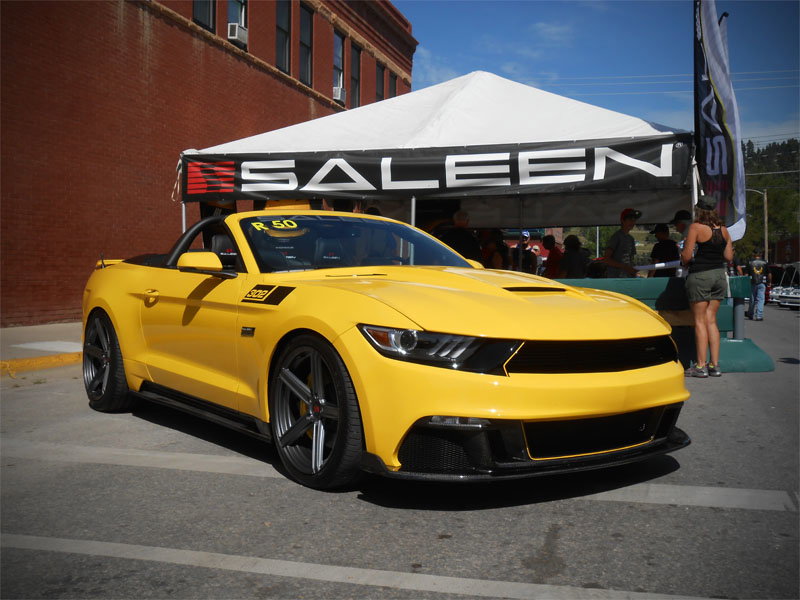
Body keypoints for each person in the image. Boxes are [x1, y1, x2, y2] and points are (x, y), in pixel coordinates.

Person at [680, 197, 733, 377]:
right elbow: (729, 257)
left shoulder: (696, 227)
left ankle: (700, 366)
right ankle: (714, 365)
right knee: (711, 320)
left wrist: (685, 258)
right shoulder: (724, 230)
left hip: (701, 275)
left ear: (699, 210)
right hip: (719, 276)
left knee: (700, 321)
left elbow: (686, 256)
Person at [603, 208, 640, 277]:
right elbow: (606, 259)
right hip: (615, 279)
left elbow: (630, 260)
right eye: (630, 219)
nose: (632, 222)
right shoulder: (616, 237)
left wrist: (633, 270)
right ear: (622, 220)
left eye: (634, 220)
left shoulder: (631, 239)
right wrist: (625, 267)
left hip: (626, 278)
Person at [746, 250, 770, 321]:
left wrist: (746, 282)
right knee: (761, 300)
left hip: (752, 282)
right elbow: (769, 274)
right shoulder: (765, 262)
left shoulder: (750, 262)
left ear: (754, 254)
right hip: (762, 282)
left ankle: (750, 313)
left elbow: (746, 274)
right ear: (761, 254)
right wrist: (769, 282)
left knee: (752, 299)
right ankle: (759, 316)